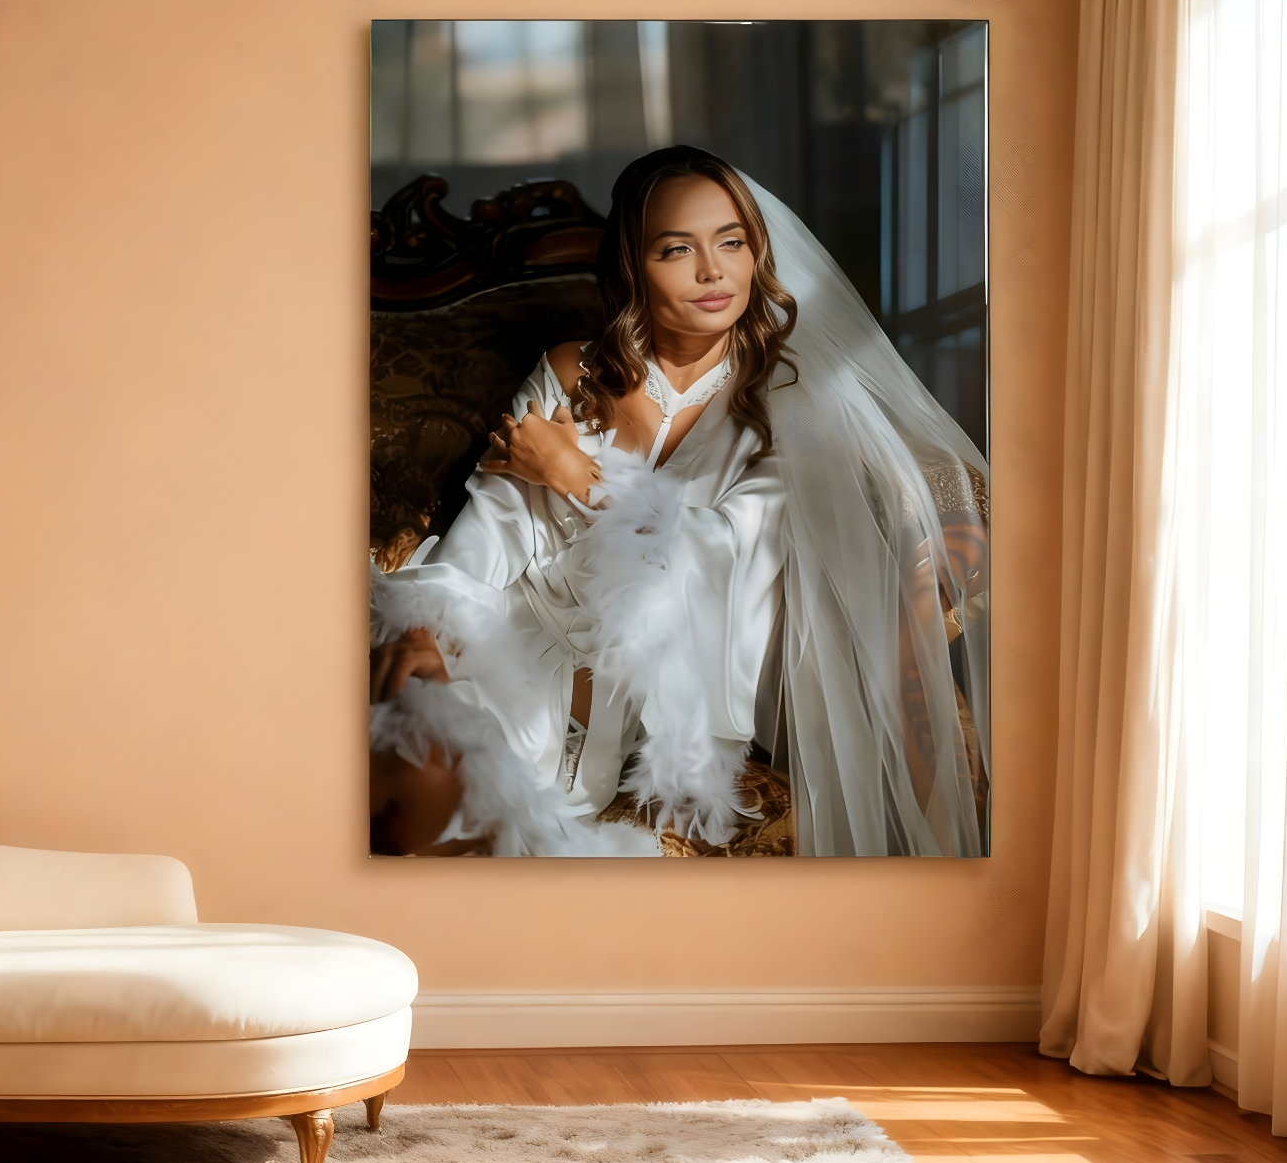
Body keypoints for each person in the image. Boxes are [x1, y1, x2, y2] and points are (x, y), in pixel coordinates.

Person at [368, 145, 990, 859]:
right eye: (676, 249)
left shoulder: (791, 407)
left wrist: (577, 475)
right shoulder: (571, 371)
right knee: (393, 757)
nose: (712, 271)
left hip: (616, 709)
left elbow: (714, 557)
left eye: (732, 242)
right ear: (633, 265)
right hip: (497, 642)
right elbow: (496, 527)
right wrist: (426, 625)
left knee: (447, 802)